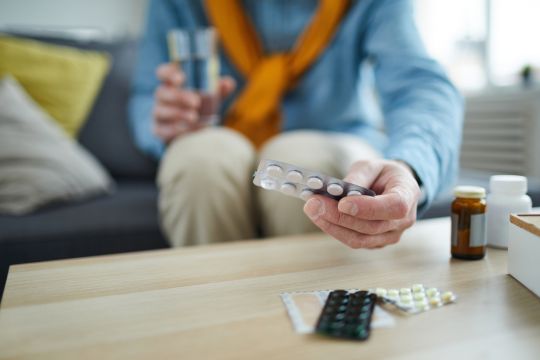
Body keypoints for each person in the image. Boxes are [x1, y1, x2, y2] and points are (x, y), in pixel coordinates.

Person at [129, 0, 463, 248]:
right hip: (217, 134)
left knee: (304, 163)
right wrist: (163, 120)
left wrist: (409, 167)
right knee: (200, 160)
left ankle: (316, 317)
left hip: (338, 136)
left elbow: (419, 85)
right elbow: (146, 94)